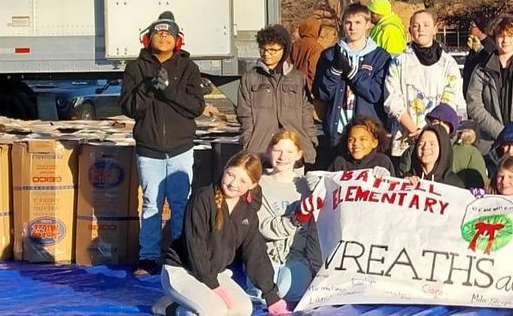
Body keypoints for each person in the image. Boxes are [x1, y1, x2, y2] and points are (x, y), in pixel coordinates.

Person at [120, 11, 206, 276]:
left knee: (180, 203)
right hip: (149, 148)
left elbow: (196, 106)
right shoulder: (136, 68)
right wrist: (148, 88)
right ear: (148, 38)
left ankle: (178, 255)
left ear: (177, 40)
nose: (163, 36)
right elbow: (129, 107)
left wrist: (168, 89)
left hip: (181, 147)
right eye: (158, 32)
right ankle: (148, 257)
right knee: (151, 204)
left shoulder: (188, 68)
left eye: (168, 33)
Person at [155, 152, 291, 316]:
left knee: (242, 310)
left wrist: (271, 295)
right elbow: (195, 247)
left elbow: (256, 255)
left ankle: (186, 304)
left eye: (243, 180)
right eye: (230, 175)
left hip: (215, 273)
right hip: (183, 271)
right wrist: (214, 286)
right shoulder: (203, 198)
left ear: (253, 185)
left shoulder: (248, 214)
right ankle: (170, 309)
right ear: (224, 169)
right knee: (215, 311)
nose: (233, 183)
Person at [385, 10, 466, 160]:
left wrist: (433, 132)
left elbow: (451, 99)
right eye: (416, 26)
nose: (420, 29)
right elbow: (392, 99)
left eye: (426, 25)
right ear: (410, 30)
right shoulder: (399, 62)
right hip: (406, 138)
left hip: (436, 141)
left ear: (435, 29)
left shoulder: (448, 63)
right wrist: (414, 130)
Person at [314, 3, 392, 150]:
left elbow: (375, 93)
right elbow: (322, 94)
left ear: (368, 24)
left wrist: (352, 74)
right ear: (343, 24)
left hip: (367, 132)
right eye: (348, 22)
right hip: (337, 131)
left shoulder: (380, 57)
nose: (352, 27)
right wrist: (335, 72)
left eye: (358, 23)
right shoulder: (329, 55)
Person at [238, 24, 318, 166]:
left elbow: (306, 112)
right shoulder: (249, 77)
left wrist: (311, 139)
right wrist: (247, 140)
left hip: (295, 147)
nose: (267, 54)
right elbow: (244, 114)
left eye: (273, 50)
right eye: (263, 49)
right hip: (260, 149)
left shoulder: (298, 78)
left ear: (284, 50)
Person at [254, 131, 319, 302]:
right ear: (269, 151)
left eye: (290, 152)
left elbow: (315, 233)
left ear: (299, 155)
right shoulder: (257, 185)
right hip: (265, 256)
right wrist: (296, 219)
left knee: (288, 293)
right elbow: (263, 227)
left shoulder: (308, 186)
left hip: (297, 258)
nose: (283, 157)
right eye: (277, 150)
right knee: (263, 298)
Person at [466, 15, 513, 153]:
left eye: (510, 35)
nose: (505, 40)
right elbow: (474, 105)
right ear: (495, 38)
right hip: (489, 143)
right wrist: (501, 132)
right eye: (501, 35)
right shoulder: (481, 69)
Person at [396, 104, 488, 185]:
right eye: (436, 121)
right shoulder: (413, 151)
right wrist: (406, 180)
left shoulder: (470, 153)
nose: (440, 125)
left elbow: (478, 187)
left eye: (445, 123)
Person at [404, 125, 484, 189]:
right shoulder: (408, 179)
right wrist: (404, 185)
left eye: (432, 144)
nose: (425, 147)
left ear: (442, 148)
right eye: (421, 143)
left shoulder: (454, 185)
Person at [325, 116, 395, 176]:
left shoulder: (383, 161)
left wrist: (387, 179)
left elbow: (393, 188)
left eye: (363, 139)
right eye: (351, 139)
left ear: (374, 143)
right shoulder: (339, 162)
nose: (356, 143)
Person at [289, 17, 324, 94]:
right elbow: (314, 69)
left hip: (292, 84)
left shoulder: (294, 45)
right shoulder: (316, 47)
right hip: (307, 87)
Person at [462, 16, 495, 91]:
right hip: (469, 86)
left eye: (472, 26)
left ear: (480, 29)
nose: (469, 29)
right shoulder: (474, 43)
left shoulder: (488, 45)